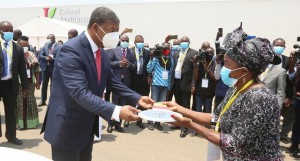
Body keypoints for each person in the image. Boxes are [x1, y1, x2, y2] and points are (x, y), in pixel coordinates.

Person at [41, 7, 154, 161]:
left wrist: (137, 98)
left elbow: (112, 81)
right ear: (95, 27)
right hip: (68, 127)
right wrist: (117, 110)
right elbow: (79, 93)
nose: (115, 35)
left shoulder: (101, 51)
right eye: (112, 30)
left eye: (117, 31)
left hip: (87, 125)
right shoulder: (71, 50)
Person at [165, 36, 284, 160]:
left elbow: (234, 144)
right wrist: (179, 109)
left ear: (243, 71)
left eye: (226, 64)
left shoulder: (260, 97)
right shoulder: (236, 89)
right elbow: (216, 118)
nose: (223, 69)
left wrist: (191, 125)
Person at [0, 21, 28, 145]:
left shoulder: (18, 48)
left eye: (10, 30)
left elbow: (22, 69)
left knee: (11, 111)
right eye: (6, 30)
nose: (9, 32)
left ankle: (11, 136)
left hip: (11, 84)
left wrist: (25, 86)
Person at [107, 34, 136, 133]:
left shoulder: (131, 53)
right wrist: (119, 63)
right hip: (116, 81)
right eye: (123, 40)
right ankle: (110, 124)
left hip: (126, 82)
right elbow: (109, 63)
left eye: (126, 40)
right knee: (114, 104)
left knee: (123, 104)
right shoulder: (114, 50)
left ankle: (118, 125)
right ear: (120, 40)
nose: (125, 42)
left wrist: (129, 65)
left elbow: (134, 67)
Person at [172, 36, 197, 137]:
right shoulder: (177, 53)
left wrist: (193, 84)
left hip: (186, 83)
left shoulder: (194, 53)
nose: (183, 43)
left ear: (189, 42)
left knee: (185, 106)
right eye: (182, 41)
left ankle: (184, 127)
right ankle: (178, 123)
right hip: (176, 83)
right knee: (177, 105)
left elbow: (195, 71)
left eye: (186, 41)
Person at [272, 38, 296, 144]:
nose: (279, 47)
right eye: (277, 45)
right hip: (268, 93)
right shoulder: (266, 60)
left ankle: (283, 135)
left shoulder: (287, 61)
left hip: (282, 94)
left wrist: (289, 97)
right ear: (272, 45)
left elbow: (290, 79)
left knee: (289, 116)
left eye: (282, 46)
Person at [147, 42, 174, 131]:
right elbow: (149, 69)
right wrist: (152, 58)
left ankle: (158, 122)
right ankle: (150, 122)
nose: (167, 50)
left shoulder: (171, 60)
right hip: (156, 84)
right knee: (153, 103)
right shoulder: (156, 58)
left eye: (168, 49)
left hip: (165, 86)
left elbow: (170, 74)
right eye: (165, 49)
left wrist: (169, 86)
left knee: (161, 106)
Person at [16, 36, 40, 129]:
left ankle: (31, 123)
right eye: (22, 45)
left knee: (30, 100)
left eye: (26, 45)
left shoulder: (31, 55)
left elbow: (37, 69)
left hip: (30, 83)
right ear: (18, 45)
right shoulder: (13, 55)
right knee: (19, 102)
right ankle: (20, 124)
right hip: (17, 83)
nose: (24, 47)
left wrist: (37, 81)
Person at [128, 34, 151, 129]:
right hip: (133, 78)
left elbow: (149, 66)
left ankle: (139, 120)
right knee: (131, 99)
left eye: (142, 42)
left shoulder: (147, 52)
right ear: (135, 43)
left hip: (143, 79)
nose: (140, 43)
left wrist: (149, 76)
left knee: (142, 100)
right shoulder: (130, 51)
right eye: (138, 42)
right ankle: (128, 119)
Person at [38, 34, 61, 107]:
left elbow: (60, 57)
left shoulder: (59, 46)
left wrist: (52, 59)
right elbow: (40, 55)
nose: (48, 39)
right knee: (44, 84)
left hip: (54, 68)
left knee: (53, 85)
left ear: (53, 38)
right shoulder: (45, 45)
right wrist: (46, 58)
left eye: (49, 38)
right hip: (45, 68)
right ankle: (43, 100)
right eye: (47, 38)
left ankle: (52, 101)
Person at [194, 47, 216, 113]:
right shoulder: (200, 63)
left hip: (209, 91)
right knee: (198, 109)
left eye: (211, 53)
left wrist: (207, 69)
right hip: (199, 90)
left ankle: (206, 123)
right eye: (207, 53)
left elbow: (215, 78)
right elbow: (196, 78)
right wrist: (196, 65)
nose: (209, 55)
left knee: (207, 109)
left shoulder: (214, 63)